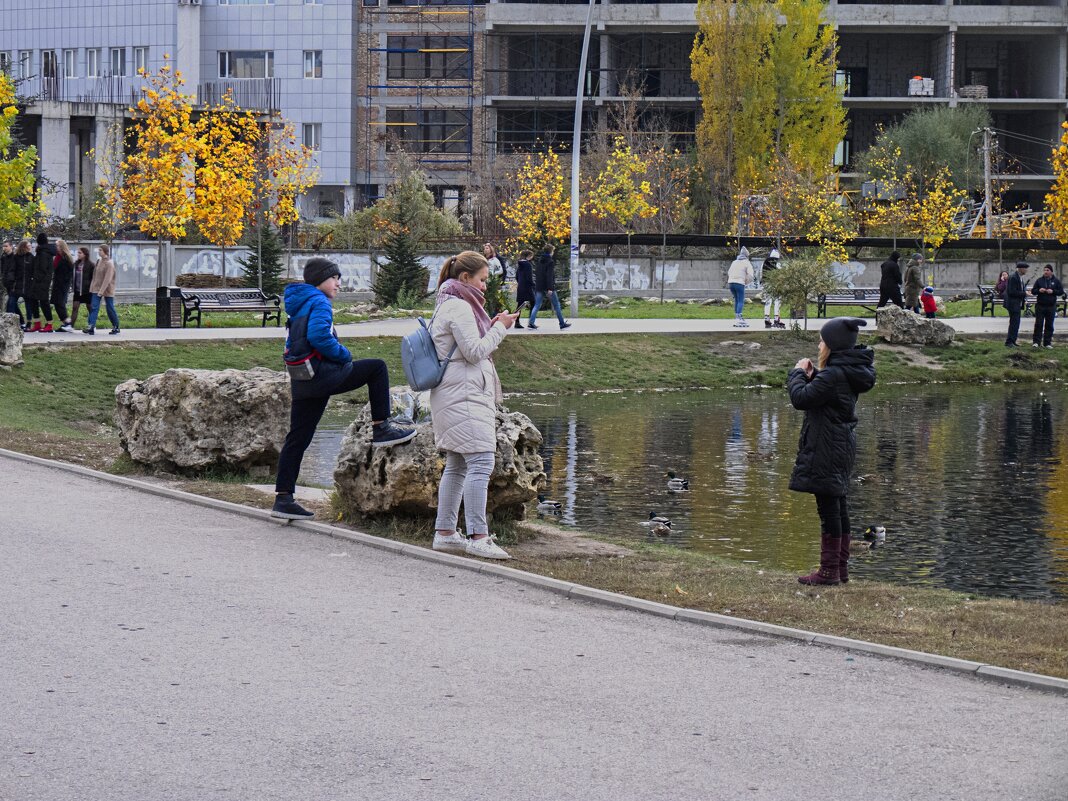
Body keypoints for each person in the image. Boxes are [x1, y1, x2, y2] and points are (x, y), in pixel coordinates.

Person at [272, 257, 416, 520]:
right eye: (334, 277)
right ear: (320, 280)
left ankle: (283, 498)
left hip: (303, 378)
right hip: (324, 375)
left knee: (298, 438)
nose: (339, 282)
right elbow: (319, 337)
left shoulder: (298, 304)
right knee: (377, 368)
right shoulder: (319, 301)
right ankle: (382, 427)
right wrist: (344, 355)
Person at [429, 250, 521, 559]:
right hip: (463, 395)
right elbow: (473, 351)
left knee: (456, 464)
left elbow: (467, 345)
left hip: (456, 393)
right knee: (481, 462)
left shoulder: (450, 303)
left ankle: (445, 533)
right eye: (482, 280)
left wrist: (493, 325)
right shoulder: (459, 307)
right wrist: (501, 328)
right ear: (465, 278)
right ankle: (478, 536)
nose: (485, 286)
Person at [788, 317, 876, 586]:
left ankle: (828, 572)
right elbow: (823, 396)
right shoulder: (846, 372)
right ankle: (840, 569)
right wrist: (813, 378)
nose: (819, 344)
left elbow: (800, 398)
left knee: (829, 509)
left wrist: (798, 373)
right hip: (841, 445)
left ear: (832, 346)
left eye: (822, 340)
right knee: (838, 507)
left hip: (826, 446)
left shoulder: (833, 374)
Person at [529, 243, 570, 330]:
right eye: (553, 251)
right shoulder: (550, 262)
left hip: (539, 286)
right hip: (548, 287)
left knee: (537, 305)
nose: (553, 252)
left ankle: (531, 323)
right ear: (551, 251)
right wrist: (550, 288)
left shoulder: (540, 260)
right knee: (557, 305)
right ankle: (562, 323)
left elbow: (538, 274)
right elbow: (549, 276)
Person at [83, 243, 121, 335]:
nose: (99, 252)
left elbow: (107, 279)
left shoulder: (109, 264)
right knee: (93, 307)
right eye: (99, 250)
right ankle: (91, 326)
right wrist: (92, 287)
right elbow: (95, 276)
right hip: (96, 288)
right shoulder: (98, 261)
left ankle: (116, 326)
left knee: (110, 308)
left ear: (105, 252)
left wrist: (101, 291)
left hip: (107, 289)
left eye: (100, 250)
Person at [1030, 264, 1064, 349]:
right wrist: (1039, 290)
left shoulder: (1056, 281)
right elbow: (1033, 291)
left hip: (1051, 306)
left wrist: (1053, 291)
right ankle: (1036, 342)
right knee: (1038, 324)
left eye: (1048, 270)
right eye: (1045, 270)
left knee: (1049, 325)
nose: (1046, 271)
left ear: (1051, 272)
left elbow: (1061, 291)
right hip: (1040, 305)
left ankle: (1047, 343)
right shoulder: (1039, 280)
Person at [27, 232, 56, 332]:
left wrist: (35, 278)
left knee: (44, 302)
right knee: (33, 300)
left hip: (41, 282)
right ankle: (37, 323)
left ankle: (49, 324)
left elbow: (42, 268)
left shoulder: (43, 253)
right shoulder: (43, 251)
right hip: (41, 281)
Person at [727, 246, 754, 328]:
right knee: (740, 300)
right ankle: (739, 319)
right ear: (747, 255)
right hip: (739, 283)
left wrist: (732, 279)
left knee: (736, 300)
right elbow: (750, 275)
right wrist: (746, 282)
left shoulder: (734, 262)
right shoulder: (747, 262)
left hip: (731, 283)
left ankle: (736, 318)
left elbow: (729, 272)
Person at [1003, 261, 1029, 348]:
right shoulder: (1014, 277)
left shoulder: (1019, 277)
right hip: (1013, 304)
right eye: (1025, 268)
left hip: (1017, 304)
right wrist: (1024, 293)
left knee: (1016, 323)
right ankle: (1009, 342)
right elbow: (1012, 292)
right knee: (1014, 323)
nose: (1026, 270)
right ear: (1021, 269)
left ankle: (1013, 341)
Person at [51, 239, 75, 332]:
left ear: (61, 247)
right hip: (57, 283)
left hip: (63, 285)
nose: (55, 247)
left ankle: (68, 323)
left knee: (60, 303)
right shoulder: (58, 257)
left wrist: (67, 284)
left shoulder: (66, 258)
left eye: (57, 245)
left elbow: (68, 273)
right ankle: (65, 322)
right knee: (57, 304)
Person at [70, 246, 95, 329]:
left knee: (90, 308)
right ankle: (71, 326)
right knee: (75, 307)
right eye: (78, 252)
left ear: (85, 254)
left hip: (87, 291)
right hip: (77, 290)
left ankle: (92, 325)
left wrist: (92, 288)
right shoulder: (76, 264)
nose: (78, 254)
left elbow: (93, 277)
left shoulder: (91, 265)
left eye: (80, 253)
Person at [1, 240, 25, 327]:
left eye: (6, 246)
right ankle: (22, 322)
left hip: (14, 283)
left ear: (11, 246)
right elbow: (3, 270)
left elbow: (18, 270)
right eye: (4, 246)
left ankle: (8, 324)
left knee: (10, 303)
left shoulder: (15, 257)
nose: (4, 248)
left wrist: (15, 281)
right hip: (7, 283)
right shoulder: (3, 257)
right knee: (13, 303)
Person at [760, 249, 785, 329]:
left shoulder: (764, 262)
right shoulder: (777, 262)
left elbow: (761, 273)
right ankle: (776, 319)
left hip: (766, 284)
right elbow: (781, 274)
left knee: (768, 301)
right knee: (777, 300)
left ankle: (767, 319)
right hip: (775, 284)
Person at [11, 241, 33, 330]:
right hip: (17, 285)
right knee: (12, 303)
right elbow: (12, 270)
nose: (30, 247)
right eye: (29, 245)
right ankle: (18, 322)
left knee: (28, 305)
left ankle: (28, 323)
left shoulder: (31, 257)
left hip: (28, 285)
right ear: (24, 247)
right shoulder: (16, 257)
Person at [513, 249, 536, 330]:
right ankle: (531, 322)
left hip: (521, 287)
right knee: (533, 303)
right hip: (527, 287)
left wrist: (520, 282)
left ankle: (517, 321)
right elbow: (529, 277)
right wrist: (533, 285)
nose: (532, 257)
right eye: (531, 256)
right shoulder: (528, 265)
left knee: (520, 305)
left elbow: (516, 276)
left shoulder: (519, 264)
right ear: (528, 256)